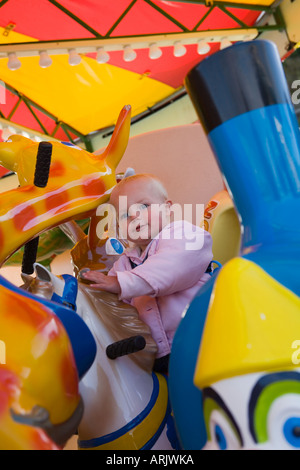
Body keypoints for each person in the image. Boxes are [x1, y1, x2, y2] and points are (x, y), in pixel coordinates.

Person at [82, 173, 213, 373]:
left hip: (203, 341)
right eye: (125, 215)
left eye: (144, 206)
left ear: (167, 208)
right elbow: (114, 308)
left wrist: (121, 284)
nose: (135, 216)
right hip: (157, 357)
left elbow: (171, 266)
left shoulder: (185, 235)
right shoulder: (123, 265)